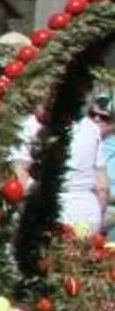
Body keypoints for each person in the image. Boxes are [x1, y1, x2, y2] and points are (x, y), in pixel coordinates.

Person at [64, 92, 109, 237]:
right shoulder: (93, 130)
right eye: (93, 114)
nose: (97, 119)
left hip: (59, 210)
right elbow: (102, 187)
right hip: (88, 212)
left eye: (105, 117)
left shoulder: (45, 127)